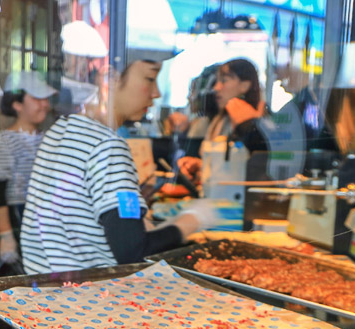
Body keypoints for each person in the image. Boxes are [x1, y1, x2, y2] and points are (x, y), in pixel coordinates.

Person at [19, 59, 216, 275]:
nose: (157, 92)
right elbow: (132, 251)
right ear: (109, 79)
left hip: (44, 291)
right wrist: (191, 221)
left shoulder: (59, 130)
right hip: (88, 298)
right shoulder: (107, 146)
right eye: (149, 79)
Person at [0, 71, 57, 273]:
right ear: (17, 104)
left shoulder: (50, 140)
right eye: (36, 98)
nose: (44, 104)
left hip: (43, 222)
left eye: (46, 99)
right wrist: (6, 236)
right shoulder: (1, 142)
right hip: (14, 221)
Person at [177, 59, 268, 204]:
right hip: (213, 204)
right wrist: (200, 165)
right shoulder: (219, 120)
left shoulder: (260, 122)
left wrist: (249, 127)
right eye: (217, 81)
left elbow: (260, 168)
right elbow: (227, 167)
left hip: (241, 207)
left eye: (224, 81)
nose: (216, 88)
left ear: (245, 85)